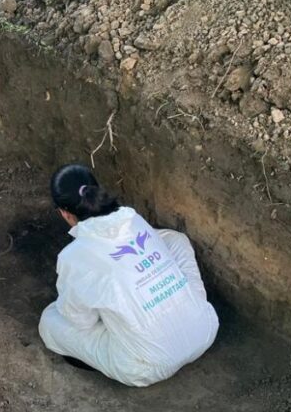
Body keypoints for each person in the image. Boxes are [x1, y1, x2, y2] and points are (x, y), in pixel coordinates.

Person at [38, 164, 219, 386]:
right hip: (205, 330)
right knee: (175, 241)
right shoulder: (133, 218)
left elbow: (81, 321)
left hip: (146, 366)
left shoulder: (72, 257)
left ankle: (118, 346)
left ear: (64, 213)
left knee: (50, 321)